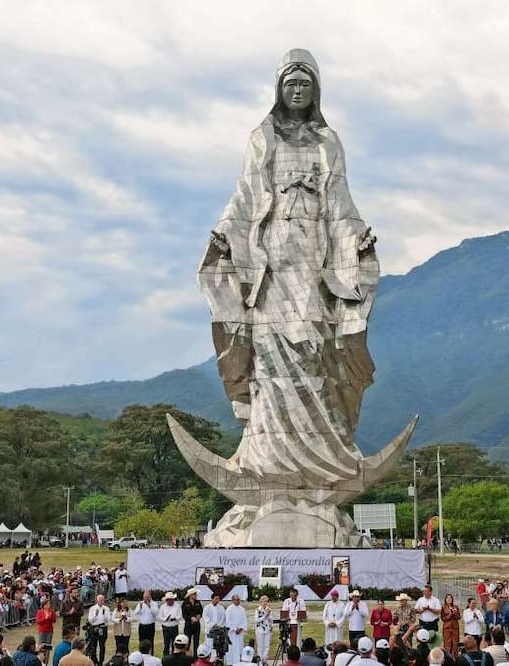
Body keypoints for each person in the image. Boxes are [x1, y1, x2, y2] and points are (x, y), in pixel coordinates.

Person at [196, 47, 381, 498]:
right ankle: (266, 455)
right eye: (290, 83)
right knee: (268, 344)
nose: (297, 90)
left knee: (315, 343)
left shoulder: (327, 142)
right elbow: (245, 195)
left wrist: (355, 240)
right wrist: (226, 232)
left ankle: (323, 454)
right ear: (278, 89)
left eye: (305, 83)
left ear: (316, 90)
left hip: (314, 255)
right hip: (271, 255)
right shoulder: (262, 139)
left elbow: (340, 203)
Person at [87, 595, 112, 666]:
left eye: (103, 600)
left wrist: (104, 615)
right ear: (97, 600)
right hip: (94, 627)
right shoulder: (92, 608)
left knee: (102, 645)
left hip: (103, 627)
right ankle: (94, 660)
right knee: (93, 645)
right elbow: (90, 620)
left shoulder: (106, 608)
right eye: (100, 600)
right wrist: (96, 615)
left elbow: (108, 620)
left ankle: (101, 661)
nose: (102, 601)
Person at [225, 596, 247, 666]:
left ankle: (239, 662)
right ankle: (231, 663)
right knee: (232, 648)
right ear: (232, 600)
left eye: (238, 600)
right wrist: (235, 629)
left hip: (240, 633)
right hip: (232, 633)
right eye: (236, 600)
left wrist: (241, 628)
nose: (238, 601)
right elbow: (228, 621)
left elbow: (244, 620)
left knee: (239, 647)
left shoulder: (242, 609)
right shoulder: (229, 609)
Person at [184, 590, 203, 655]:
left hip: (197, 625)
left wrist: (199, 615)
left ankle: (196, 657)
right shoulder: (185, 603)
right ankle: (187, 657)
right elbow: (184, 615)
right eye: (194, 594)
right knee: (187, 642)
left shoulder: (198, 602)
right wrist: (191, 618)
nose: (196, 595)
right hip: (188, 625)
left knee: (196, 642)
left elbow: (201, 611)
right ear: (190, 595)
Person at [253, 597, 272, 661]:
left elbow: (271, 619)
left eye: (266, 601)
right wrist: (264, 617)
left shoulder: (269, 609)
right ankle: (260, 660)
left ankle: (264, 659)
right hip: (260, 630)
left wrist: (271, 625)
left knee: (267, 646)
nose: (265, 603)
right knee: (260, 646)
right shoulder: (257, 610)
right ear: (261, 602)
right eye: (263, 601)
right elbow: (256, 620)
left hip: (267, 629)